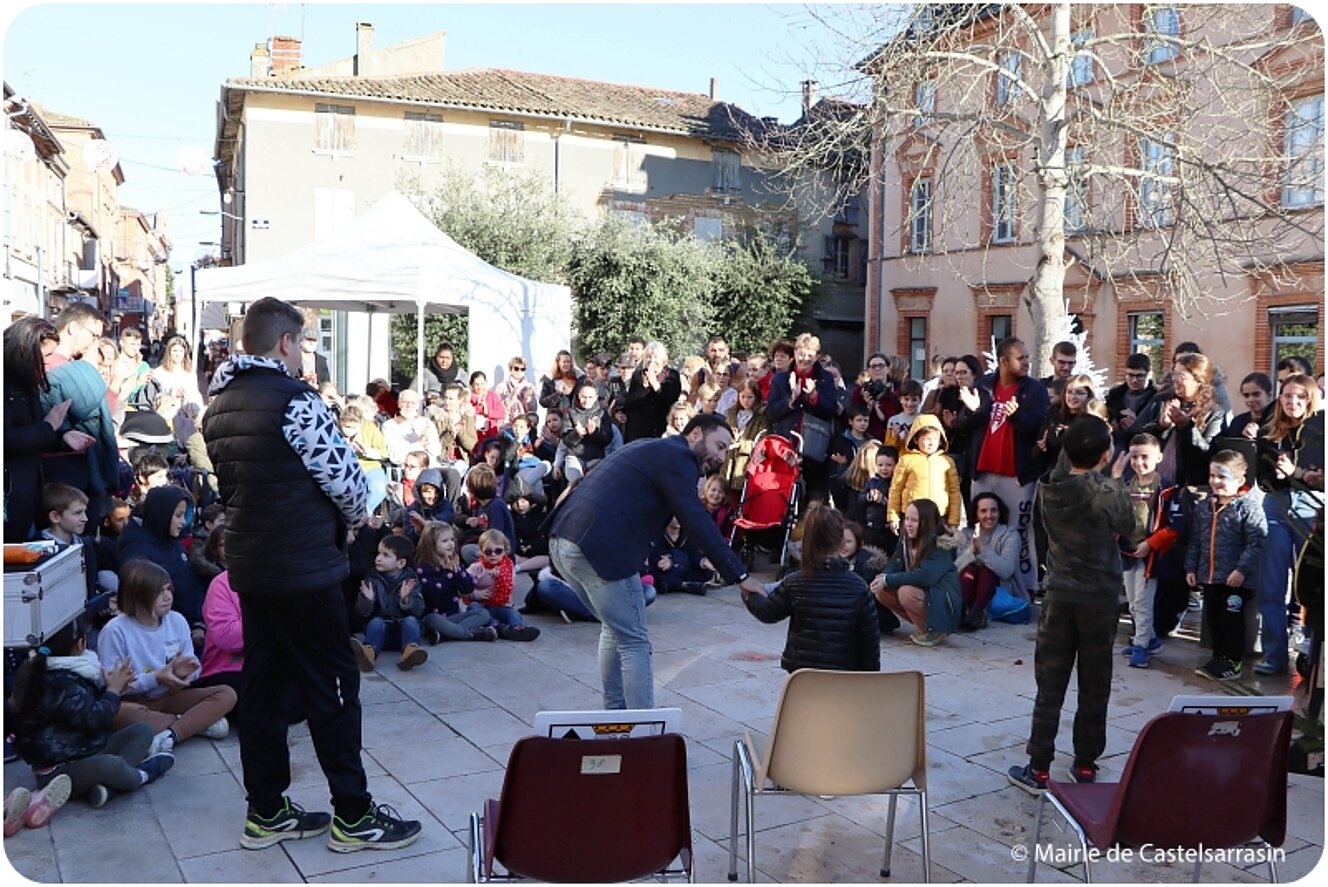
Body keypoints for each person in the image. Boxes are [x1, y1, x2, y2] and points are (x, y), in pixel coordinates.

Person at [202, 296, 420, 852]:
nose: (303, 355)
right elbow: (348, 484)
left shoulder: (218, 404)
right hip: (304, 568)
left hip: (252, 568)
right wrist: (349, 523)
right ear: (284, 343)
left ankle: (267, 809)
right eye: (301, 343)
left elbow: (232, 492)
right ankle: (354, 814)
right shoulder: (295, 401)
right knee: (335, 689)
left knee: (263, 688)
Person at [549, 413, 766, 708]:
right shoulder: (680, 458)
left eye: (726, 450)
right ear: (695, 434)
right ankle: (641, 728)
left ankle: (616, 714)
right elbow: (695, 518)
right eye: (720, 446)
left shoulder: (652, 448)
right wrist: (739, 575)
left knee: (616, 630)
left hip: (564, 541)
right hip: (601, 550)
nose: (721, 456)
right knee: (634, 641)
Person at [1007, 417, 1136, 794]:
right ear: (1106, 453)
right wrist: (1114, 479)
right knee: (1095, 684)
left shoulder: (1049, 487)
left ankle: (1039, 768)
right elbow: (1131, 524)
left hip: (1060, 596)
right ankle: (1085, 764)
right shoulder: (1104, 489)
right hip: (1099, 600)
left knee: (1050, 685)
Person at [5, 619, 174, 819]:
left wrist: (111, 686)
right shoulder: (62, 683)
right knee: (112, 765)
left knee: (142, 731)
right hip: (60, 768)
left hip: (84, 749)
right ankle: (141, 775)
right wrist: (113, 690)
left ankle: (107, 787)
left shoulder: (47, 671)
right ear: (81, 644)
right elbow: (97, 718)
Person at [96, 560, 236, 750]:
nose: (167, 596)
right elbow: (114, 686)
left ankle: (171, 734)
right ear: (139, 595)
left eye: (169, 589)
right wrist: (156, 678)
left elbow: (193, 665)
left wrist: (184, 673)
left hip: (172, 696)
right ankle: (192, 724)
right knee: (118, 714)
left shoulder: (177, 620)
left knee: (227, 693)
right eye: (159, 592)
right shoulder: (115, 631)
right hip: (135, 702)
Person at [740, 505, 880, 673]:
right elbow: (870, 644)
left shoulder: (796, 583)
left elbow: (767, 612)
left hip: (802, 678)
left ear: (807, 541)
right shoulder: (860, 587)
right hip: (844, 679)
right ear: (840, 540)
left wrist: (748, 593)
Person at [967, 337, 1049, 596]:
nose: (1027, 362)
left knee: (1019, 532)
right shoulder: (983, 386)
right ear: (1003, 361)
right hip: (982, 472)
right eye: (1020, 358)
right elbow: (969, 424)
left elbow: (1035, 428)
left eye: (1027, 357)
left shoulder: (1034, 390)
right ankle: (980, 585)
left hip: (1017, 475)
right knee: (981, 529)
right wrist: (970, 411)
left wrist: (1016, 416)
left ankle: (1024, 587)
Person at [1255, 373, 1324, 676]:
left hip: (1310, 510)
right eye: (1287, 396)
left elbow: (1319, 479)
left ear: (1311, 399)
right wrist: (1281, 477)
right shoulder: (1269, 433)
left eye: (1300, 396)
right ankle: (1274, 654)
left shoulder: (1320, 432)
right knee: (1271, 584)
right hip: (1276, 506)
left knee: (1310, 583)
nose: (1293, 402)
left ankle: (1311, 653)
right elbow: (1262, 479)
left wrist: (1294, 473)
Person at [1187, 449, 1268, 681]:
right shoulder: (1204, 508)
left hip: (1235, 580)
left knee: (1231, 620)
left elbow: (1257, 541)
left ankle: (1233, 661)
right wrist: (1191, 568)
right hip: (1210, 577)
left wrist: (1241, 570)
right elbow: (1196, 540)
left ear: (1240, 480)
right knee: (1214, 619)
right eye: (1212, 476)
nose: (1215, 481)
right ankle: (1218, 658)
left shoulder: (1247, 508)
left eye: (1222, 477)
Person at [4, 317, 79, 542]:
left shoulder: (25, 382)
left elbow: (32, 430)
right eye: (45, 356)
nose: (47, 364)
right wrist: (49, 427)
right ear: (25, 350)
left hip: (24, 492)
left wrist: (62, 436)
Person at [1109, 433, 1179, 668]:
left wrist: (1151, 543)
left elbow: (1174, 525)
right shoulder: (1128, 484)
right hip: (1128, 551)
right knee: (1132, 601)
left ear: (1159, 457)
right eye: (1134, 457)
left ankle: (1141, 646)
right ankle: (1149, 640)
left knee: (1143, 602)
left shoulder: (1167, 488)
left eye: (1145, 457)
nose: (1139, 462)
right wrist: (1116, 478)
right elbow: (1114, 507)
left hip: (1151, 556)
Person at [118, 486, 206, 650]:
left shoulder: (174, 543)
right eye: (178, 516)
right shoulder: (136, 551)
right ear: (162, 515)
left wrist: (198, 622)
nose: (183, 522)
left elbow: (192, 584)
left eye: (184, 515)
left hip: (187, 632)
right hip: (159, 640)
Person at [868, 499, 962, 646]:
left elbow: (924, 577)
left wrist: (888, 579)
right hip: (926, 595)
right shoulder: (907, 538)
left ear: (926, 522)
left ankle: (936, 629)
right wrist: (882, 577)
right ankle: (925, 627)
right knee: (882, 591)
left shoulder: (941, 545)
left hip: (943, 601)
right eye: (907, 518)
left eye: (914, 520)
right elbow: (895, 563)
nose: (908, 524)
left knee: (906, 593)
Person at [1132, 351, 1226, 488]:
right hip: (1154, 482)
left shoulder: (1214, 412)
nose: (1175, 380)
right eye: (1174, 374)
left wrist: (1186, 427)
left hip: (1188, 487)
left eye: (1181, 376)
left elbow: (1207, 455)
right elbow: (1133, 432)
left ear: (1198, 381)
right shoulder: (1161, 400)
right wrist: (1159, 425)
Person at [766, 333, 839, 504]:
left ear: (817, 357)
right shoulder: (780, 378)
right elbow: (770, 413)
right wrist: (790, 401)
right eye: (801, 354)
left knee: (815, 499)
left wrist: (814, 396)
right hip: (787, 447)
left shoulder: (825, 378)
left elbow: (831, 409)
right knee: (784, 499)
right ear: (796, 352)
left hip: (815, 447)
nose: (805, 359)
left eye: (810, 355)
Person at [350, 534, 428, 671]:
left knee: (411, 621)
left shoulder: (410, 580)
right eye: (378, 553)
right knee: (376, 622)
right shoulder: (372, 578)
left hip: (401, 633)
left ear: (401, 563)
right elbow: (361, 613)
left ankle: (410, 652)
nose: (378, 558)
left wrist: (406, 600)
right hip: (381, 633)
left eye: (386, 555)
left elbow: (418, 609)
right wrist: (367, 601)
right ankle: (368, 653)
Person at [952, 492, 1025, 630]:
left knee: (986, 570)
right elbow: (955, 569)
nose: (989, 516)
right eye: (983, 511)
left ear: (1000, 512)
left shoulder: (1010, 534)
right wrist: (972, 550)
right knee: (970, 570)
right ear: (976, 514)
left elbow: (1007, 571)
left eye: (993, 510)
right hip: (969, 590)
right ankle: (960, 612)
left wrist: (983, 550)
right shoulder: (965, 534)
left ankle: (977, 615)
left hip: (1000, 592)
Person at [414, 522, 496, 643]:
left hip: (453, 616)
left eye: (452, 539)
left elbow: (468, 589)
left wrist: (457, 573)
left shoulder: (454, 564)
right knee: (433, 619)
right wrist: (448, 574)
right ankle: (472, 634)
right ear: (431, 544)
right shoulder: (423, 568)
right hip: (432, 616)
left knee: (483, 614)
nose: (450, 544)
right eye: (445, 541)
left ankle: (445, 635)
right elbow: (433, 595)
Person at [887, 414, 962, 531]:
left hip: (940, 516)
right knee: (910, 547)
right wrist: (893, 516)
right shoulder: (906, 460)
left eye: (935, 439)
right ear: (916, 439)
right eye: (927, 439)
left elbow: (954, 491)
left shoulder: (947, 462)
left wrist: (954, 520)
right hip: (911, 516)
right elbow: (895, 489)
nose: (931, 443)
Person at [939, 354, 990, 526]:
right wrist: (953, 425)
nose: (959, 376)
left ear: (974, 373)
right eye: (956, 373)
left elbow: (982, 419)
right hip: (961, 455)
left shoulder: (982, 393)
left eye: (963, 372)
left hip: (979, 457)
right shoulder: (956, 394)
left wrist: (973, 409)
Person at [467, 529, 540, 640]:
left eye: (498, 551)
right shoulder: (476, 567)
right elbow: (464, 587)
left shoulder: (508, 566)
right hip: (483, 604)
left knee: (513, 614)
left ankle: (517, 628)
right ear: (481, 552)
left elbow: (509, 585)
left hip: (501, 605)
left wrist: (500, 577)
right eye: (488, 552)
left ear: (505, 551)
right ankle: (495, 626)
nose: (493, 555)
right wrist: (477, 594)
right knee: (473, 608)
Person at [621, 341, 682, 442]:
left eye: (656, 357)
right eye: (649, 357)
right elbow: (630, 403)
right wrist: (644, 389)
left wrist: (655, 385)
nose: (652, 360)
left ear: (663, 360)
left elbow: (670, 400)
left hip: (662, 429)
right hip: (639, 431)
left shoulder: (671, 375)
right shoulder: (638, 375)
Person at [563, 379, 613, 482]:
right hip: (575, 456)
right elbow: (565, 440)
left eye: (590, 397)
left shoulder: (602, 414)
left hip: (596, 457)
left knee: (594, 483)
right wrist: (576, 434)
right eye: (583, 397)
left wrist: (594, 433)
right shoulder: (570, 413)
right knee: (575, 481)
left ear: (596, 397)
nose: (587, 400)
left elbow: (607, 439)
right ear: (578, 396)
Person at [1105, 353, 1157, 448]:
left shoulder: (1156, 397)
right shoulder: (1115, 394)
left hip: (1144, 446)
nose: (1134, 380)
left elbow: (1159, 428)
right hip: (1116, 443)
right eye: (1130, 375)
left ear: (1149, 374)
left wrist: (1136, 425)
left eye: (1139, 376)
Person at [382, 388, 442, 467]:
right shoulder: (390, 425)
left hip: (431, 466)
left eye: (413, 403)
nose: (409, 406)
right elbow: (395, 457)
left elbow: (437, 451)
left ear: (417, 405)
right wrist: (419, 443)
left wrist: (428, 440)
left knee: (452, 474)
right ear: (399, 404)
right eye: (405, 402)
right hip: (409, 469)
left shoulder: (426, 422)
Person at [849, 351, 901, 441]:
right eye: (873, 366)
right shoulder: (860, 392)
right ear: (868, 370)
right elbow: (852, 417)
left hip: (891, 440)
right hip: (866, 440)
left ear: (888, 368)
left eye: (881, 366)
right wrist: (867, 408)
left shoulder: (897, 391)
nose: (877, 369)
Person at [150, 335, 203, 409]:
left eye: (181, 351)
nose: (178, 354)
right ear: (169, 352)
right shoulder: (159, 372)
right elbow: (156, 396)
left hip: (188, 414)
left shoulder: (190, 372)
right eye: (175, 351)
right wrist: (174, 393)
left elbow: (196, 395)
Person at [538, 349, 582, 420]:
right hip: (555, 419)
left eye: (569, 362)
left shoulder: (578, 378)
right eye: (564, 362)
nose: (567, 364)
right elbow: (543, 402)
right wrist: (557, 394)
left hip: (574, 419)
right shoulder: (550, 379)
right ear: (558, 363)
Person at [1232, 372, 1275, 441]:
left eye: (1256, 394)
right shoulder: (1237, 422)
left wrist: (1259, 435)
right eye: (1246, 395)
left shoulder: (1278, 421)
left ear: (1269, 394)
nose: (1251, 399)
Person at [884, 379, 924, 449]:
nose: (909, 404)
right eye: (906, 399)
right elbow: (888, 448)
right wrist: (895, 439)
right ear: (900, 399)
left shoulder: (924, 420)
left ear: (920, 400)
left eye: (914, 400)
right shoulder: (894, 421)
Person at [495, 356, 536, 423]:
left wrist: (528, 398)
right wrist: (510, 398)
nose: (519, 371)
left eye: (522, 369)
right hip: (507, 424)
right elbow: (498, 409)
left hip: (524, 425)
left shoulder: (529, 386)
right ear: (510, 369)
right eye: (516, 368)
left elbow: (533, 409)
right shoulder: (502, 387)